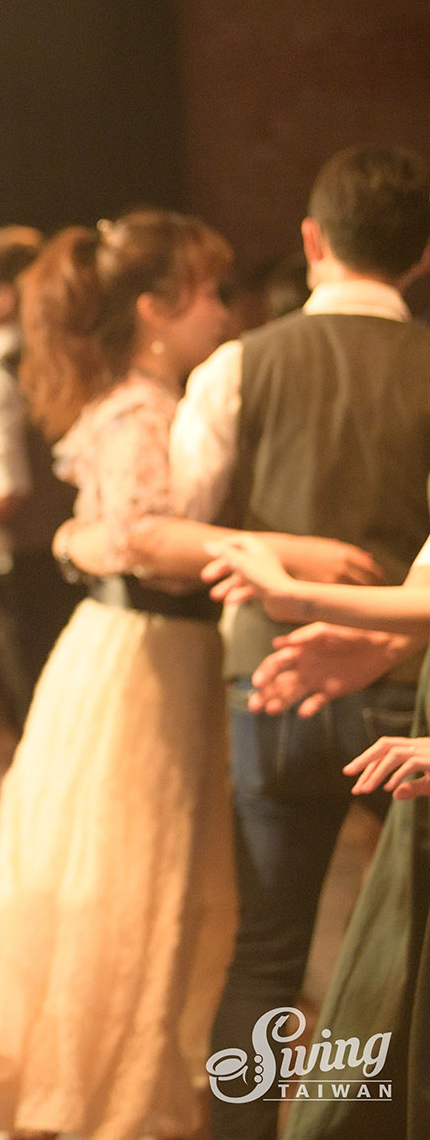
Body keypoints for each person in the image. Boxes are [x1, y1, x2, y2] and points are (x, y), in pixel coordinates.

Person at [0, 210, 242, 1139]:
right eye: (210, 293)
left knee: (135, 858)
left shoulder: (137, 399)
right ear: (153, 311)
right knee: (138, 863)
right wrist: (268, 552)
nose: (225, 312)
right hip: (150, 651)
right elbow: (143, 538)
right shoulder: (142, 408)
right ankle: (121, 1074)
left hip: (129, 645)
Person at [170, 145, 430, 1140]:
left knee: (268, 950)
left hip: (271, 676)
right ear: (420, 255)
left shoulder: (240, 363)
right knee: (407, 936)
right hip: (410, 687)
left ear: (313, 239)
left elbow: (186, 519)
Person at [202, 533, 430, 1135]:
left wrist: (295, 595)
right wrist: (381, 645)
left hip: (282, 669)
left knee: (270, 954)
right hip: (361, 683)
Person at [0, 225, 83, 729]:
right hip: (77, 554)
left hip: (26, 565)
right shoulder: (66, 365)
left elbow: (6, 486)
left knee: (35, 711)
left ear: (4, 299)